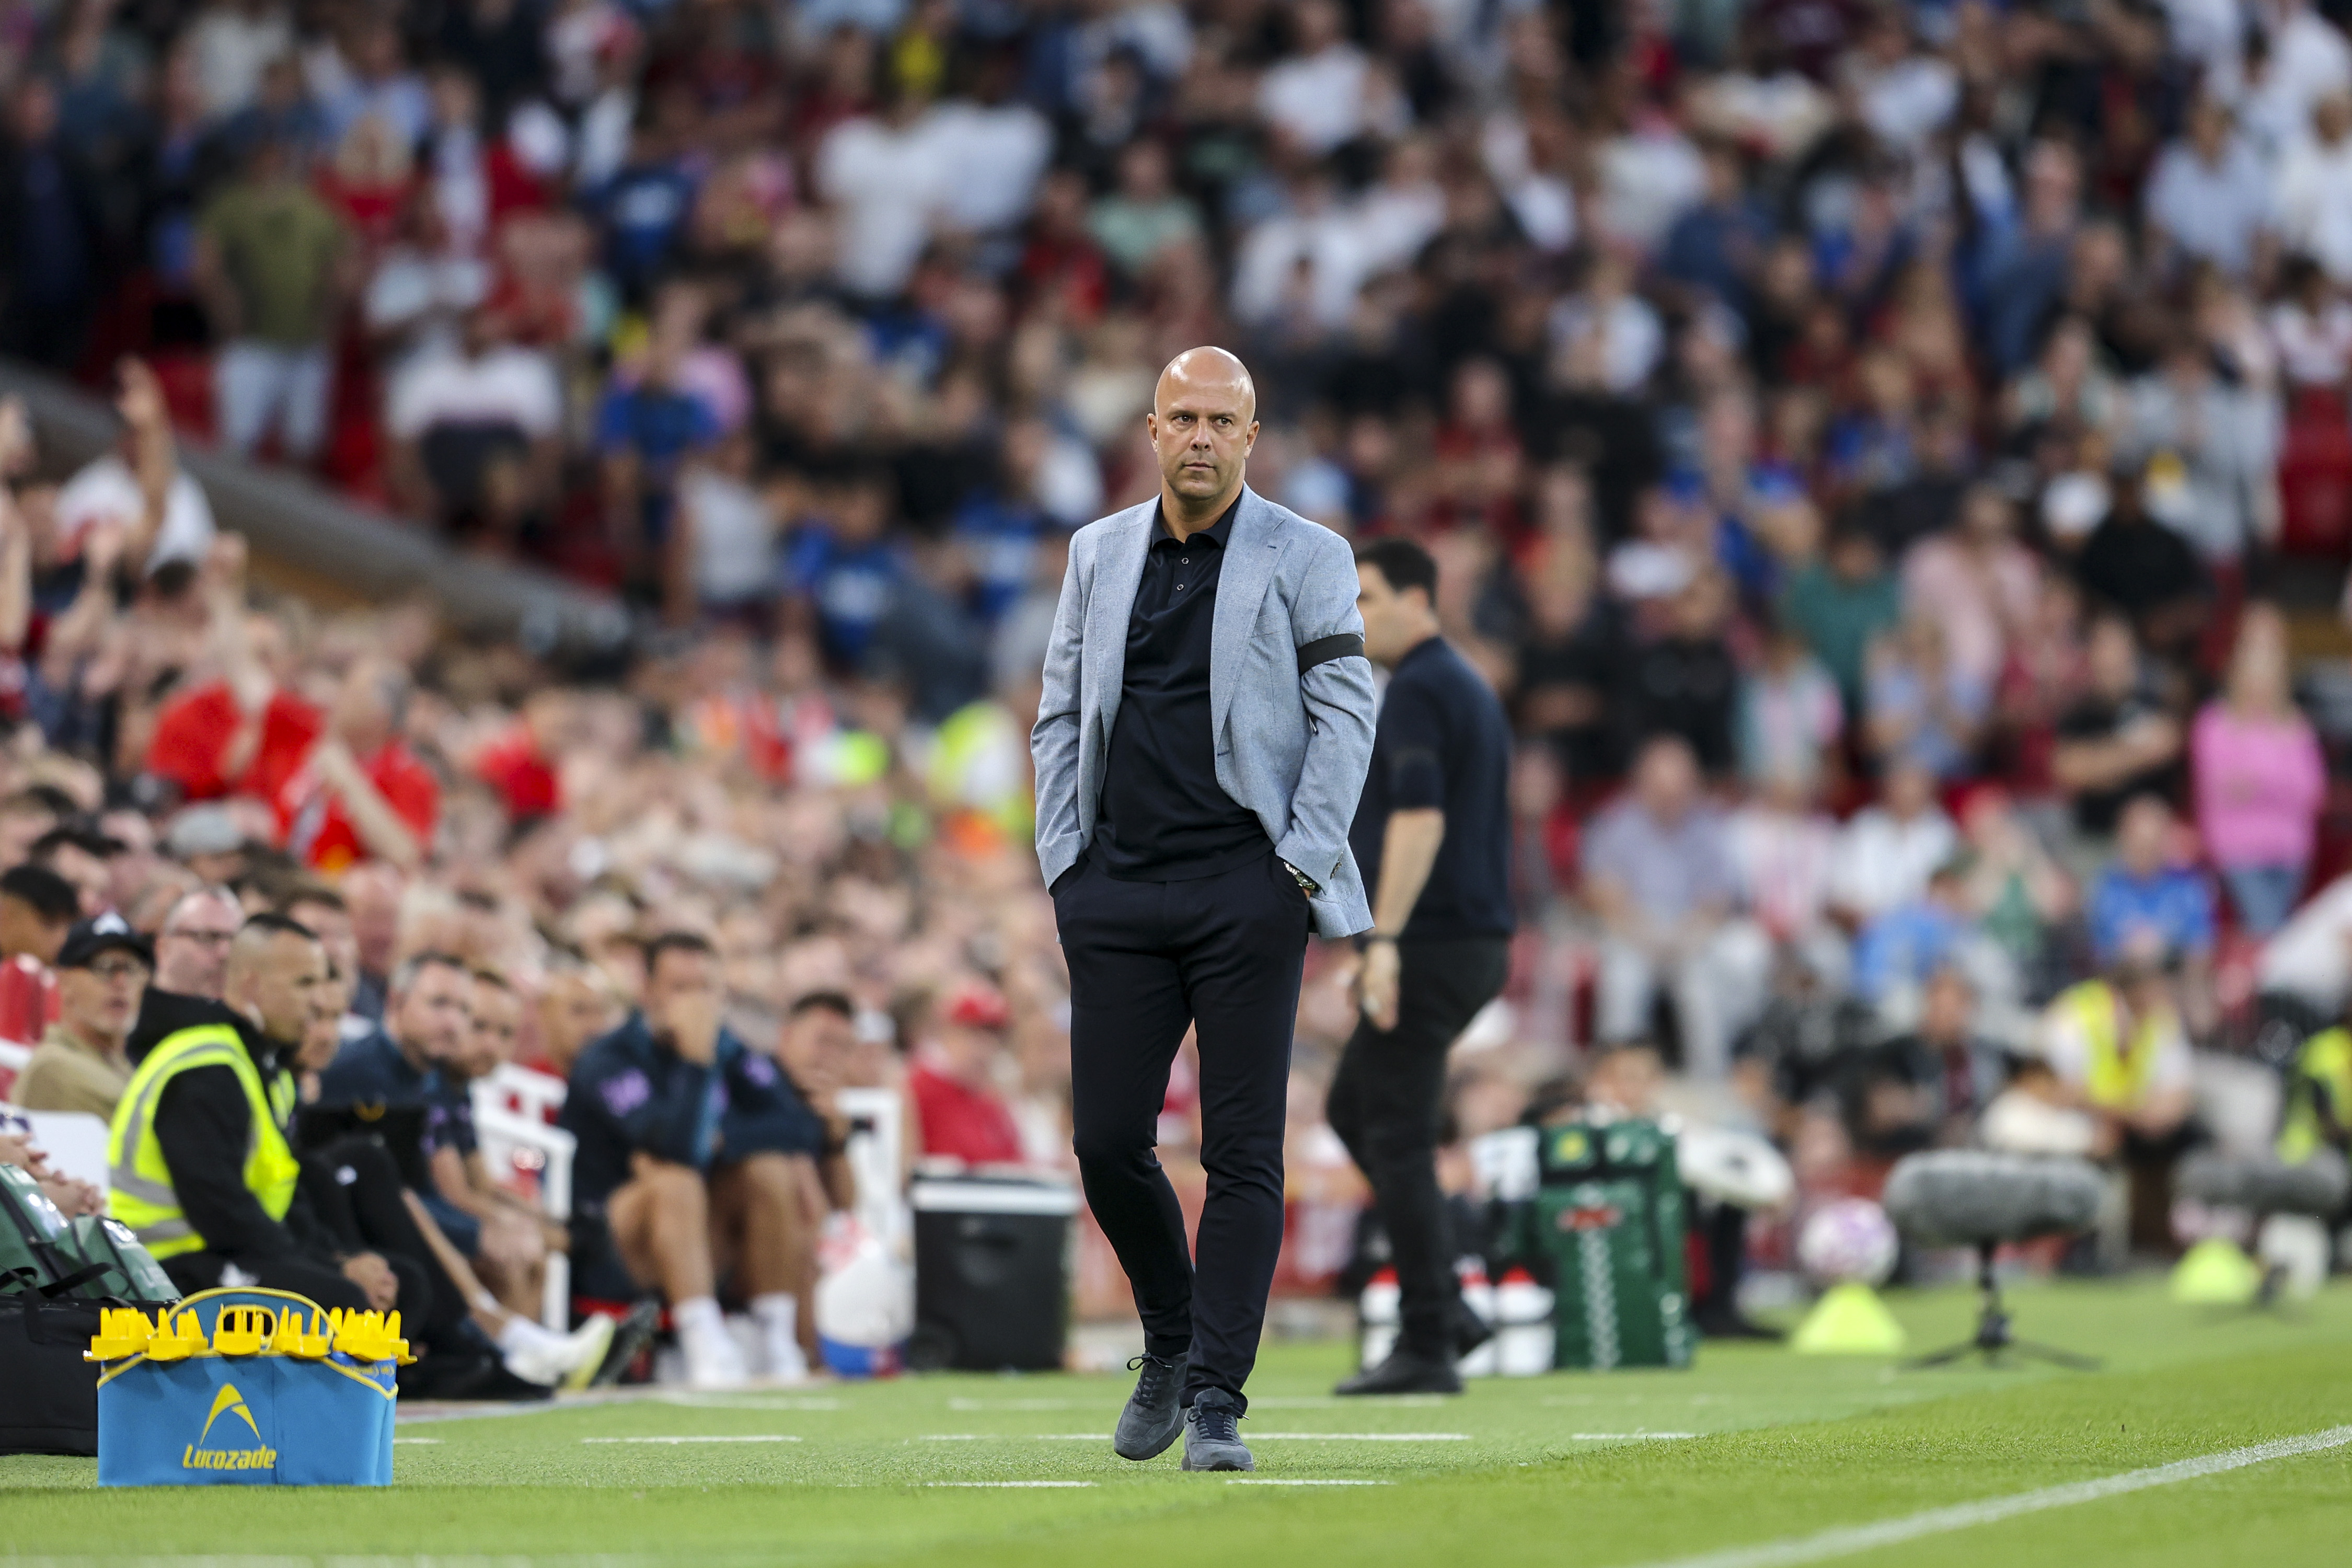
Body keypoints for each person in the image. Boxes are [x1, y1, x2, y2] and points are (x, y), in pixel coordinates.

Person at [1032, 346, 1376, 1473]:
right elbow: (1056, 713)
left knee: (1242, 1152)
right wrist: (1063, 868)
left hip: (1246, 883)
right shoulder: (1098, 551)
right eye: (1180, 416)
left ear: (1250, 436)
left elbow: (1345, 718)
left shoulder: (1310, 555)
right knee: (1105, 1142)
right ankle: (1170, 1339)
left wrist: (1299, 868)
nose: (1197, 437)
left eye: (1219, 421)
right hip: (1117, 887)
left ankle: (1218, 1401)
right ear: (1149, 427)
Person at [1326, 536, 1514, 1397]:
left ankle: (1430, 1339)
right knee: (1354, 1107)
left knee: (1395, 1132)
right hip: (1460, 940)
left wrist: (1386, 941)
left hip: (1434, 941)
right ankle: (1446, 1301)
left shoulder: (1419, 690)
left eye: (1367, 598)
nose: (1356, 617)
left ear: (1417, 599)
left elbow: (1419, 821)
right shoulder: (1459, 683)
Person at [561, 932, 835, 1388]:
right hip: (613, 1244)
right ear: (648, 992)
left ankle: (775, 1335)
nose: (696, 1003)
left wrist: (725, 1140)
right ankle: (702, 1338)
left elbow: (800, 1126)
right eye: (680, 988)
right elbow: (677, 1149)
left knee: (768, 1169)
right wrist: (696, 1059)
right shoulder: (608, 1059)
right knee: (675, 1180)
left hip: (699, 1240)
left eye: (705, 989)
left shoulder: (729, 1048)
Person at [1584, 734, 1759, 1080]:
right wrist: (1644, 932)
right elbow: (1603, 893)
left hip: (1690, 934)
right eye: (1661, 789)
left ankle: (1709, 1083)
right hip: (1633, 930)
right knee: (1623, 980)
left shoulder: (1709, 824)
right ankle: (1614, 1080)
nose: (1670, 799)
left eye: (1678, 790)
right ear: (1642, 784)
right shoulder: (1616, 822)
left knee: (1702, 986)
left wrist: (1685, 936)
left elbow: (1719, 899)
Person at [2037, 960, 2196, 1256]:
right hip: (2074, 1119)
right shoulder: (2077, 1015)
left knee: (2186, 1137)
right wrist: (2132, 1112)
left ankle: (2159, 1242)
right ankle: (2072, 1248)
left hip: (2126, 1122)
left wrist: (2130, 1113)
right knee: (2090, 1140)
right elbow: (2060, 1092)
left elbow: (2177, 1098)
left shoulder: (2160, 1018)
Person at [2193, 605, 2325, 936]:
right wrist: (2278, 782)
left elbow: (2313, 790)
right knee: (2268, 931)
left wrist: (2259, 783)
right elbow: (2222, 787)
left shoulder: (2295, 724)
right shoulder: (2216, 723)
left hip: (2291, 849)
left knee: (2275, 933)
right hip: (2238, 849)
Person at [14, 914, 151, 1119]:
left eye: (131, 969)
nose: (121, 982)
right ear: (65, 981)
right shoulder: (53, 1067)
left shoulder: (127, 1067)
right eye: (105, 968)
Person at [906, 981, 1025, 1166]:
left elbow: (1017, 1164)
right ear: (947, 1032)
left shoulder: (992, 1101)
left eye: (994, 1036)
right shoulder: (917, 1090)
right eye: (974, 1033)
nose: (985, 1048)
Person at [0, 862, 77, 1045]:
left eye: (69, 927)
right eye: (50, 924)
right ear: (7, 914)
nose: (62, 939)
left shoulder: (56, 984)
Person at [147, 885, 244, 1000]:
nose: (225, 954)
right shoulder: (130, 1015)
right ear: (163, 948)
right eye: (208, 937)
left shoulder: (251, 1017)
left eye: (235, 941)